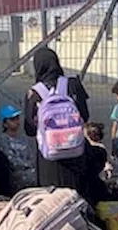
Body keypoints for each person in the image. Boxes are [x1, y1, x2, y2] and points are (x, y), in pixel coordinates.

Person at [24, 48, 91, 192]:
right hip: (75, 152)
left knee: (52, 201)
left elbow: (29, 130)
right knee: (76, 196)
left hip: (48, 159)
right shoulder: (73, 84)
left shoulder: (34, 93)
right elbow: (85, 115)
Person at [0, 104, 36, 192]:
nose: (17, 122)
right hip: (16, 178)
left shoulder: (23, 139)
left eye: (17, 118)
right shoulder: (2, 141)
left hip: (29, 173)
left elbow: (31, 156)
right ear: (5, 124)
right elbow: (12, 162)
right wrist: (28, 167)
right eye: (12, 119)